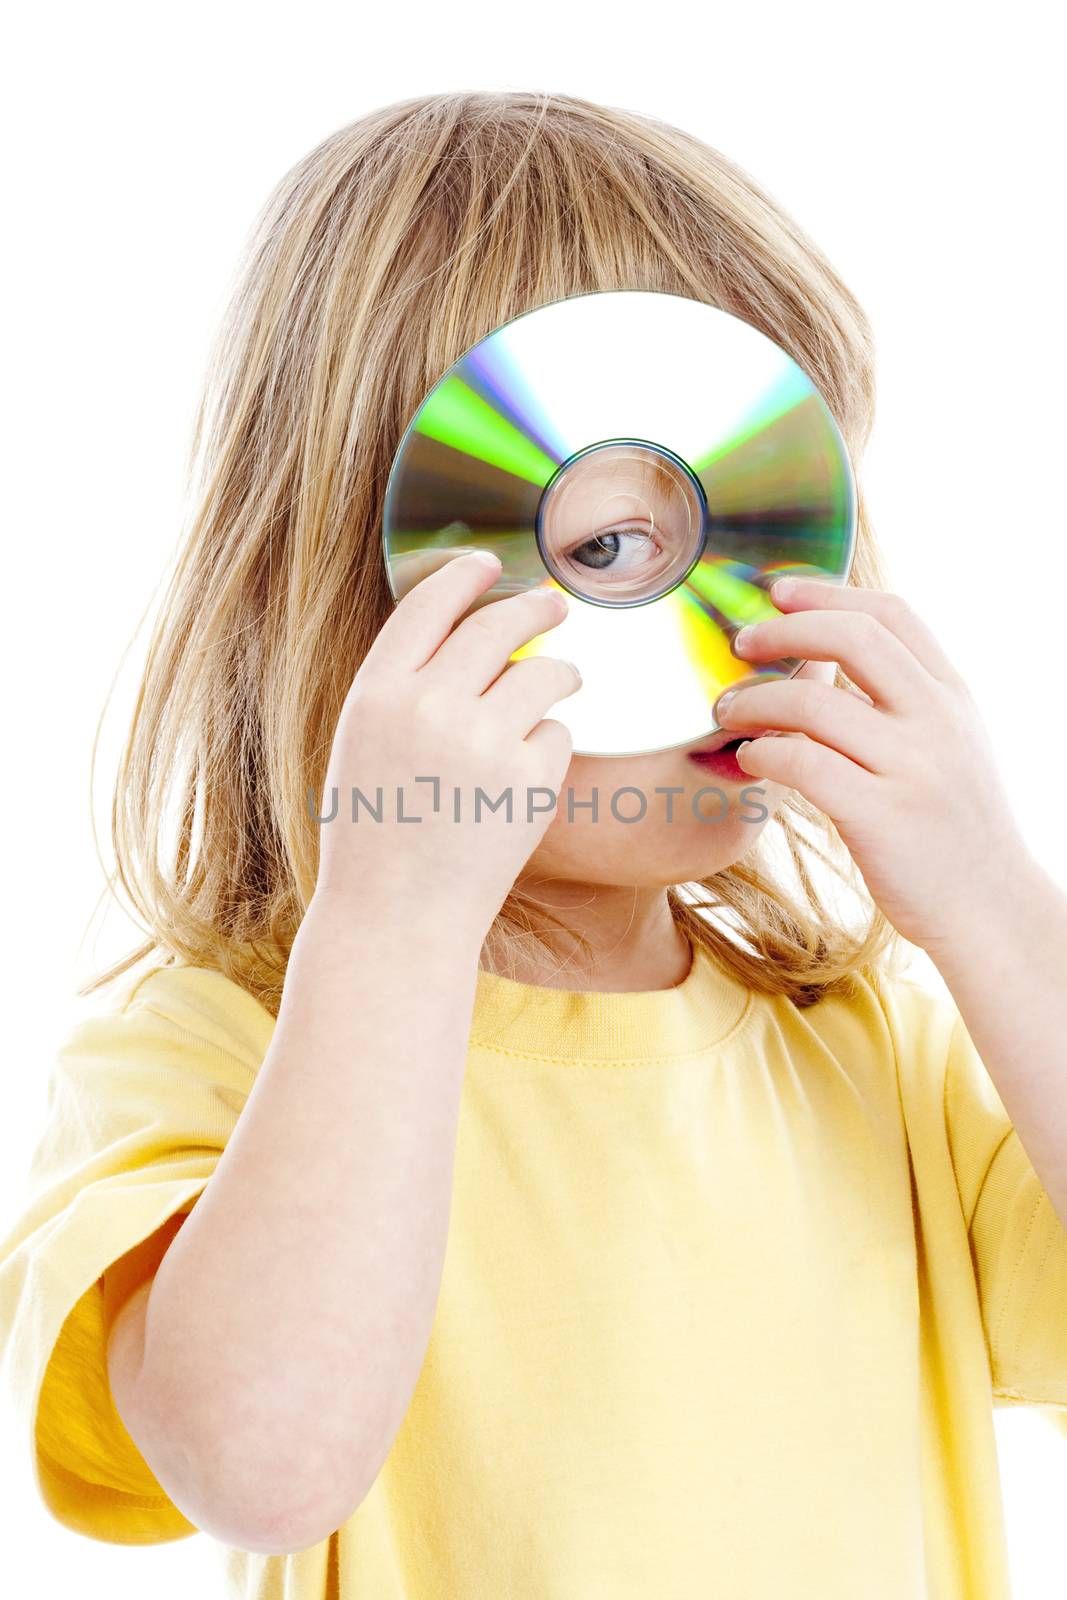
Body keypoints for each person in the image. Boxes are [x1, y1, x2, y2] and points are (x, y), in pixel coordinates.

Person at [3, 88, 1067, 1600]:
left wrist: (999, 908)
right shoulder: (220, 1052)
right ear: (349, 599)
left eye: (774, 517)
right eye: (619, 550)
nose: (734, 632)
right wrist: (392, 922)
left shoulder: (882, 1056)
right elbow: (260, 1466)